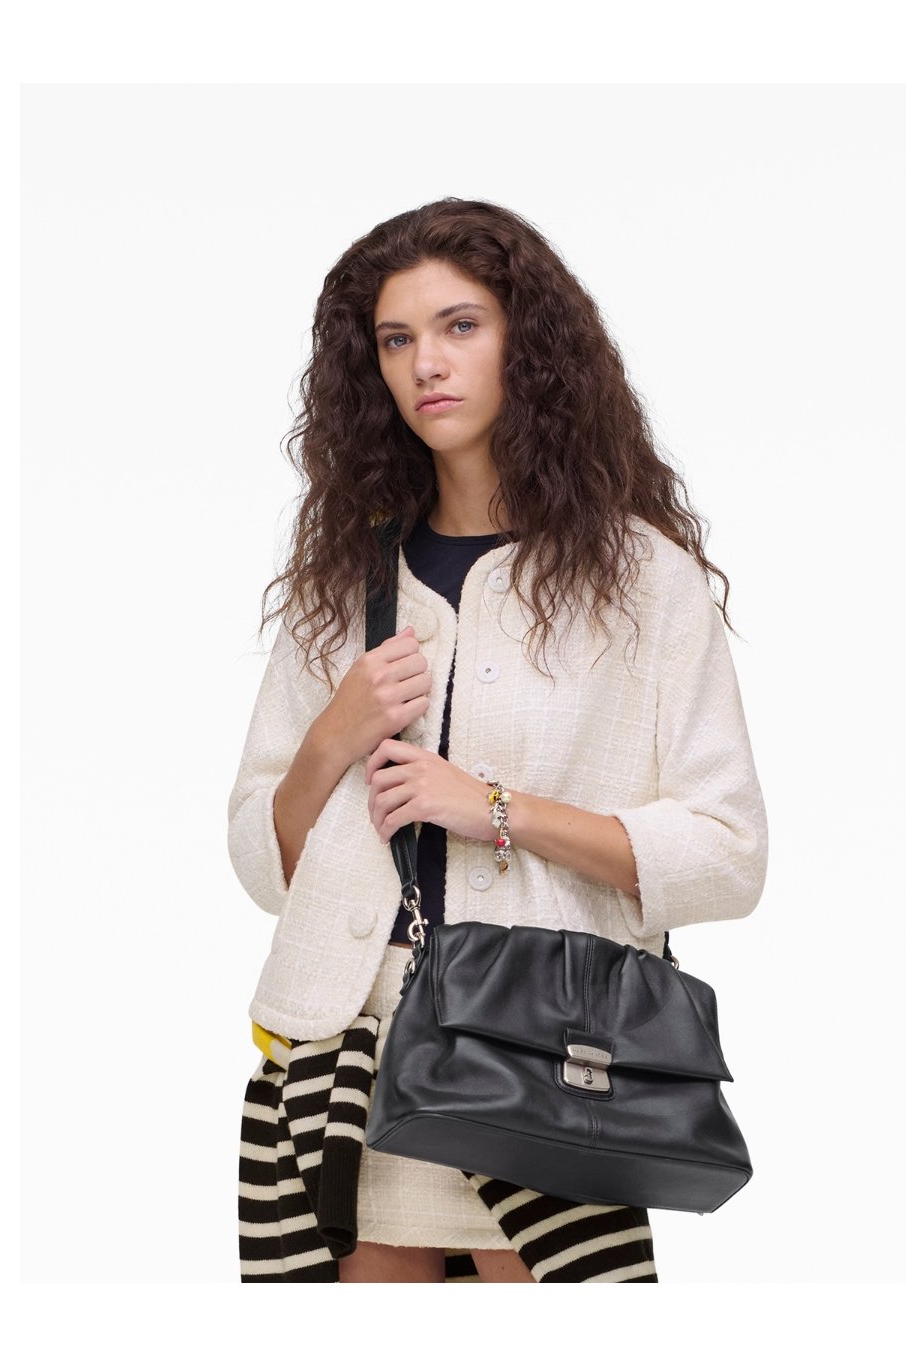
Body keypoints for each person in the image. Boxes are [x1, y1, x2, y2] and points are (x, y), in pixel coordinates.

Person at [228, 197, 768, 1284]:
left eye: (460, 325)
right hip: (346, 1049)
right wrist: (333, 735)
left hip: (547, 1055)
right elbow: (263, 861)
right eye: (396, 339)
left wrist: (493, 810)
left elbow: (727, 855)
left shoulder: (642, 582)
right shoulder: (344, 582)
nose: (426, 362)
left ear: (530, 342)